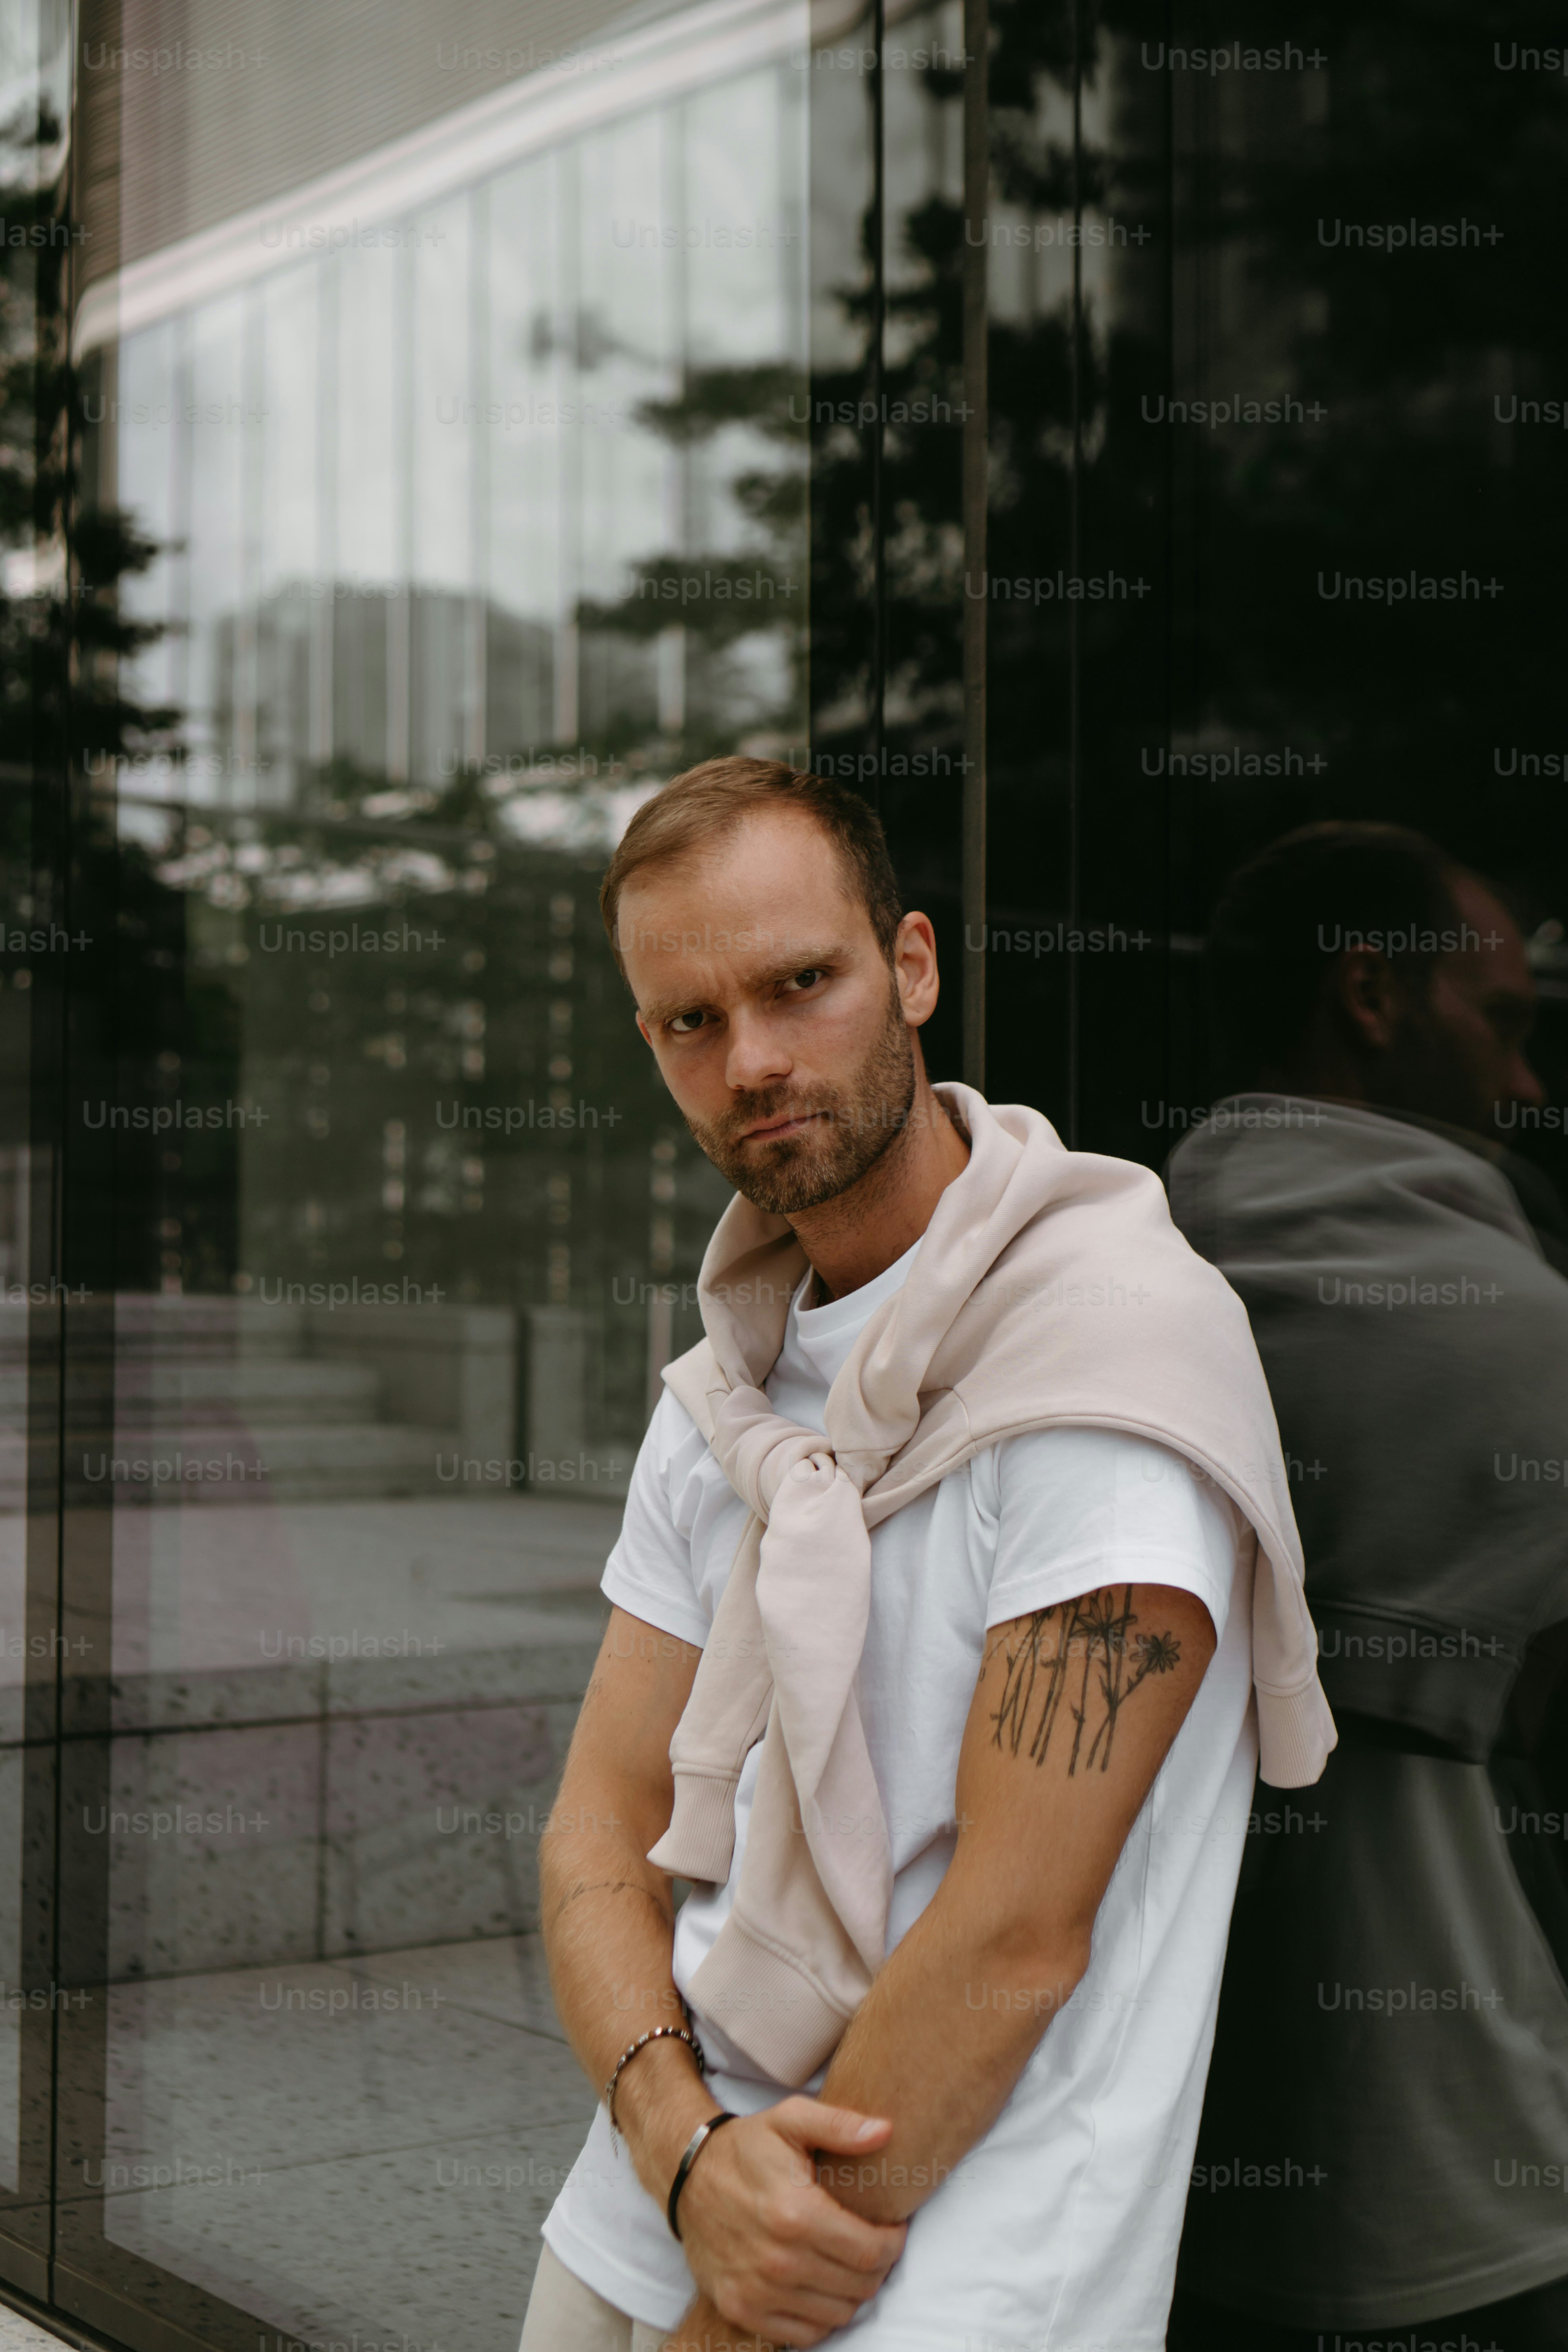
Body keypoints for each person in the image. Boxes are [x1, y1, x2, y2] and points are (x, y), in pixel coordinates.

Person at [519, 757, 1331, 2352]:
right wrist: (679, 2152)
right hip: (641, 2210)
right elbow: (595, 1837)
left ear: (909, 967)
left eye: (799, 984)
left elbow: (1014, 1925)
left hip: (944, 2282)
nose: (751, 1058)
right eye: (691, 1021)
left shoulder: (1108, 1354)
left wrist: (727, 2309)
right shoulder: (725, 1396)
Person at [1164, 821, 1568, 2352]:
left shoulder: (1122, 1289)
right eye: (1508, 1022)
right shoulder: (1519, 1341)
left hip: (1180, 2174)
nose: (1526, 1087)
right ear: (1374, 997)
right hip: (1468, 2181)